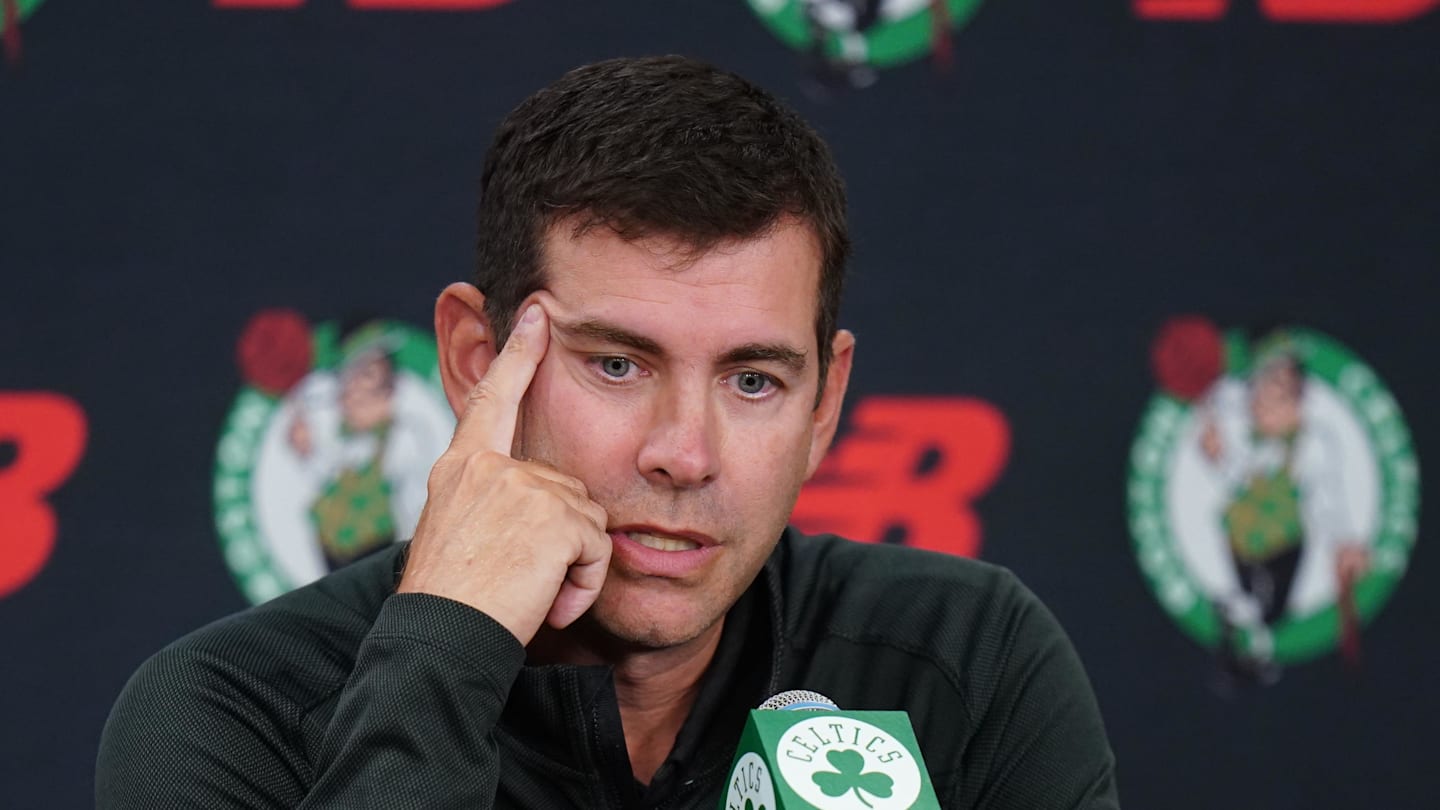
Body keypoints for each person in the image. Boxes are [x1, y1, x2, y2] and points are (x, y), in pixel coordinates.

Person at [97, 55, 1118, 808]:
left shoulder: (961, 663)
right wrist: (448, 642)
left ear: (826, 406)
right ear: (472, 360)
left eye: (754, 380)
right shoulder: (231, 716)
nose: (684, 452)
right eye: (618, 365)